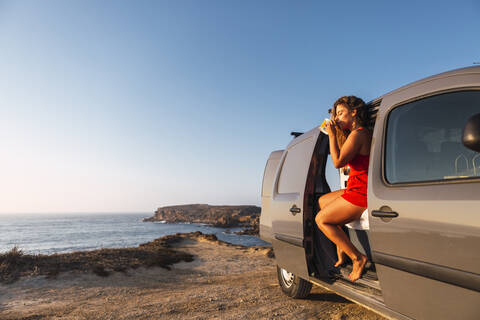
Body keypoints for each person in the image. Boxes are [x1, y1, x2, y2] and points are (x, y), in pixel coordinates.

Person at [315, 95, 371, 282]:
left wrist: (331, 135)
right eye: (336, 114)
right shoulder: (355, 134)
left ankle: (358, 257)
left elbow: (338, 162)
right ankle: (342, 248)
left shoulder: (359, 134)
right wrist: (337, 132)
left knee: (321, 220)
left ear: (354, 112)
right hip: (355, 187)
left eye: (340, 113)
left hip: (361, 192)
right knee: (322, 201)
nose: (337, 118)